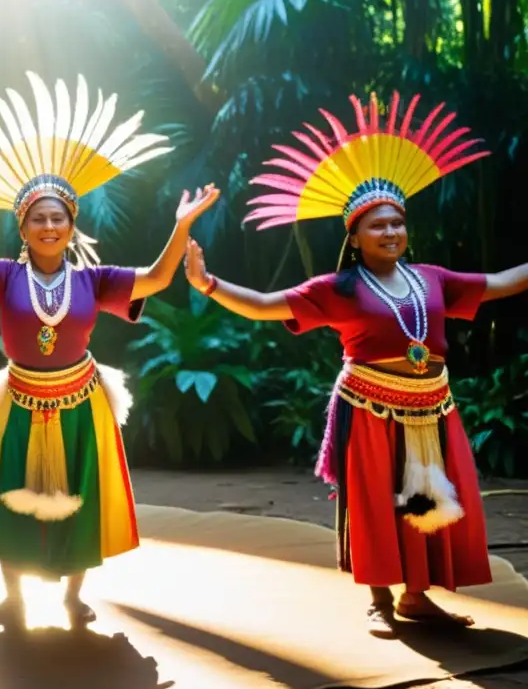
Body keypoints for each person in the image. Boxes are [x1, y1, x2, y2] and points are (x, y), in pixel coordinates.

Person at [184, 91, 528, 637]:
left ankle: (417, 596)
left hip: (432, 405)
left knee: (430, 498)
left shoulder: (434, 278)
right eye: (377, 226)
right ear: (355, 235)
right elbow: (268, 306)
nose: (390, 232)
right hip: (368, 408)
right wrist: (208, 284)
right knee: (375, 501)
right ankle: (380, 595)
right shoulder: (338, 288)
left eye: (397, 223)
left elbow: (506, 283)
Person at [0, 71, 220, 629]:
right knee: (10, 496)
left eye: (57, 218)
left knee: (81, 497)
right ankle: (13, 598)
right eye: (38, 218)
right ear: (23, 227)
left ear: (71, 226)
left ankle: (71, 595)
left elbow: (157, 280)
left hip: (81, 399)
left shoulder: (93, 279)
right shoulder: (0, 274)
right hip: (20, 399)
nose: (48, 225)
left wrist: (182, 224)